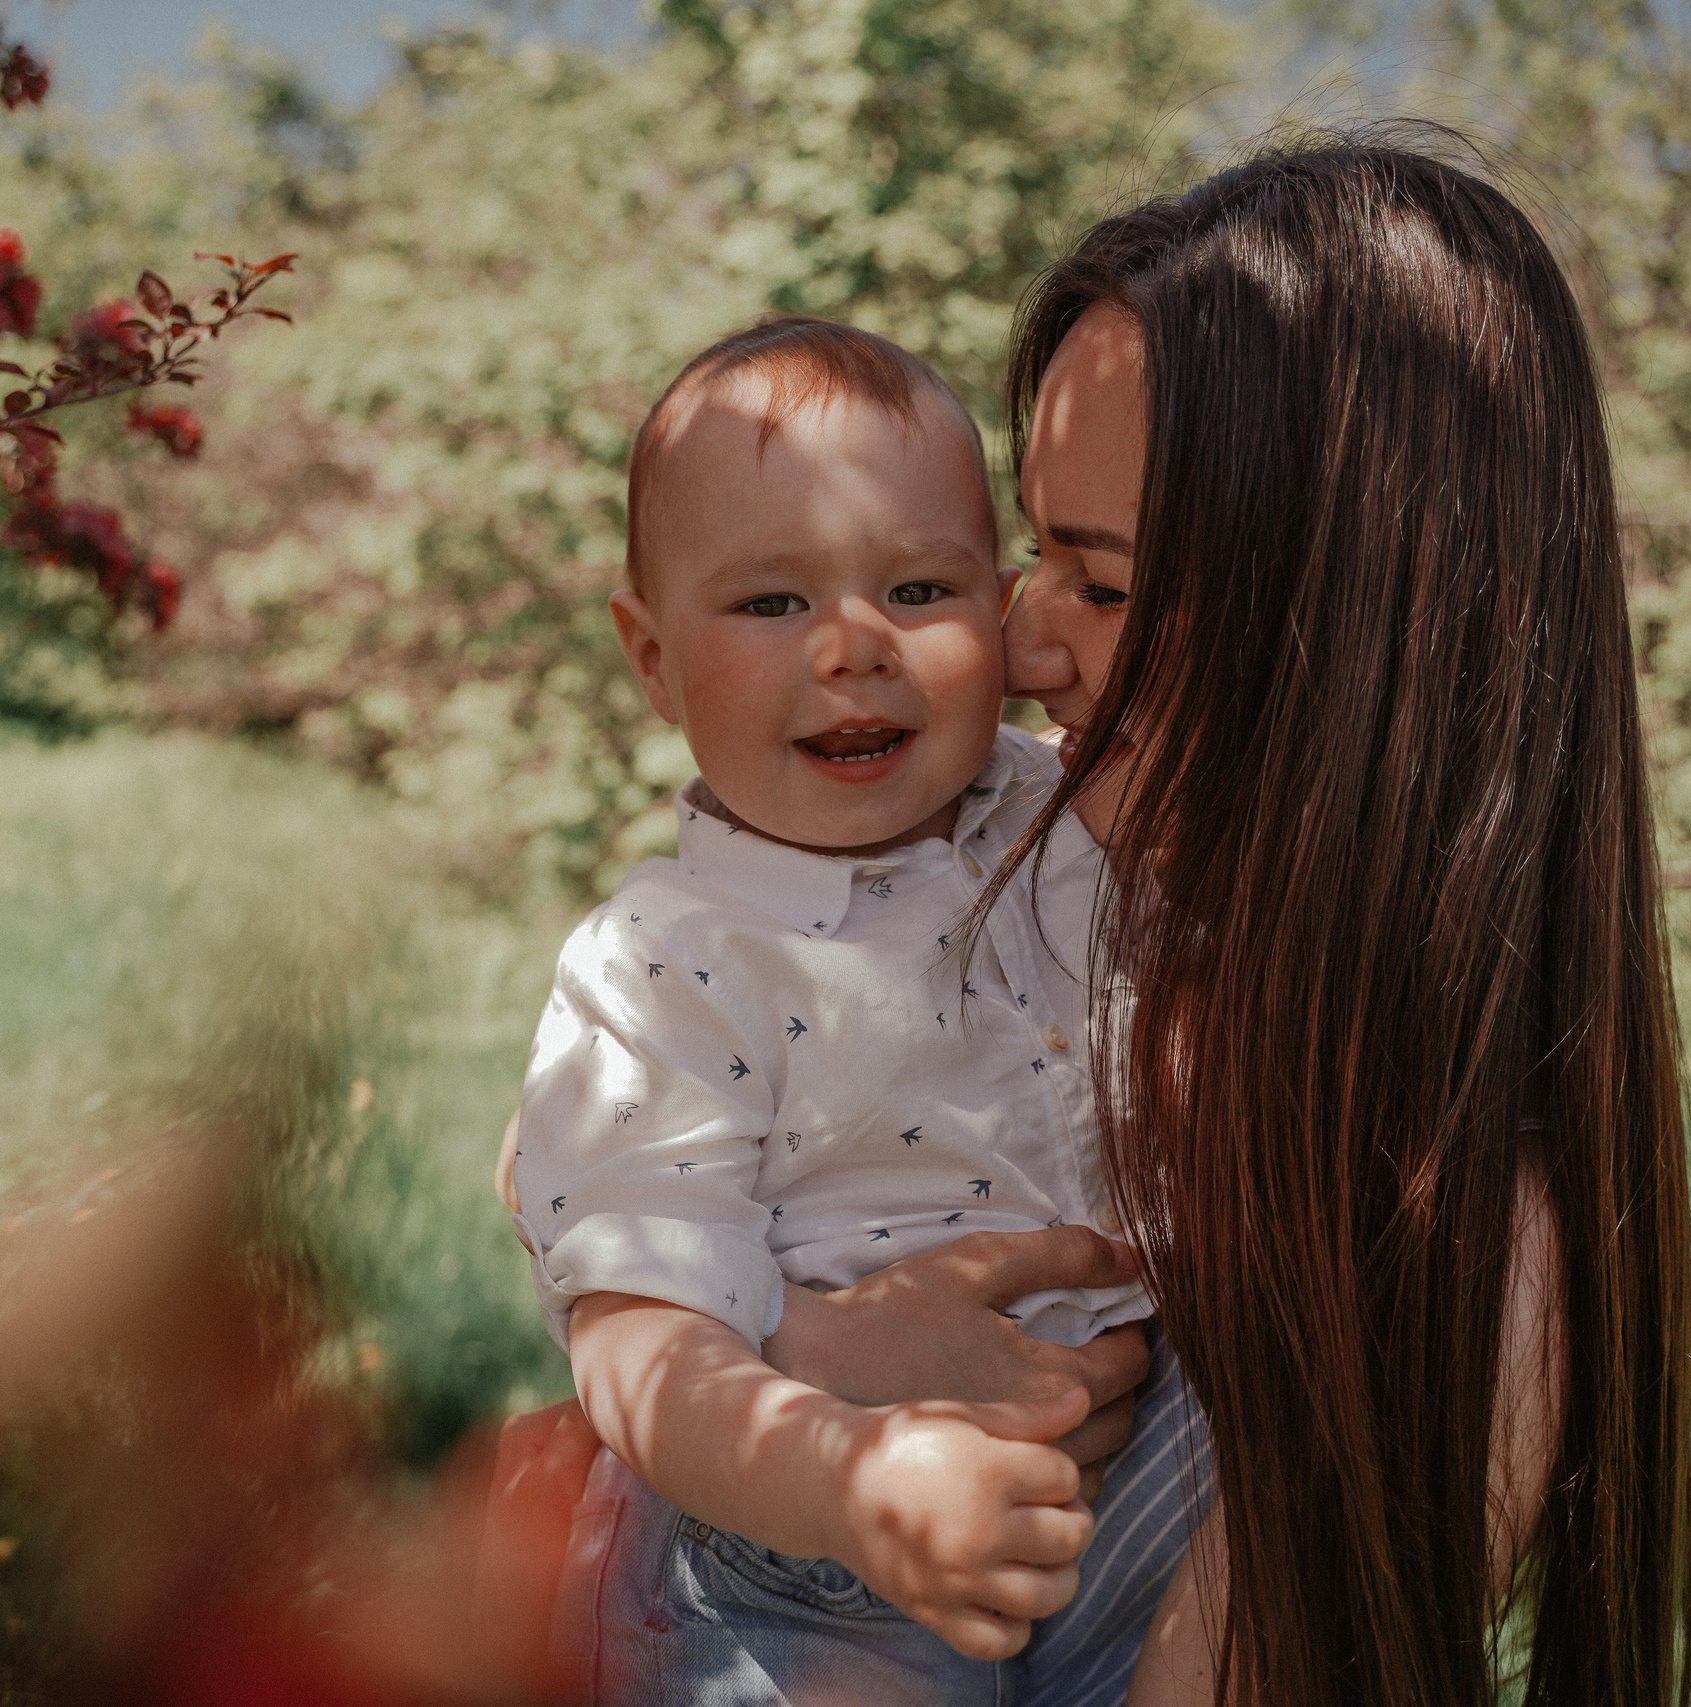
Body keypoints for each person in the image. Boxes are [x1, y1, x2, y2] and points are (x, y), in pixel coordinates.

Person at [489, 133, 1691, 1707]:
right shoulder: (947, 877)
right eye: (1030, 557)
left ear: (1343, 638)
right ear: (650, 656)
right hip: (799, 1567)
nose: (1022, 643)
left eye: (1095, 583)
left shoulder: (1463, 1243)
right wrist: (802, 1373)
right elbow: (570, 1176)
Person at [503, 315, 1209, 1705]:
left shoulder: (1065, 815)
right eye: (771, 604)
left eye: (920, 588)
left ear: (1002, 615)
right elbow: (639, 1338)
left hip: (1101, 1484)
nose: (852, 647)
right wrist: (855, 1487)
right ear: (652, 662)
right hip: (802, 1563)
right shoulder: (672, 958)